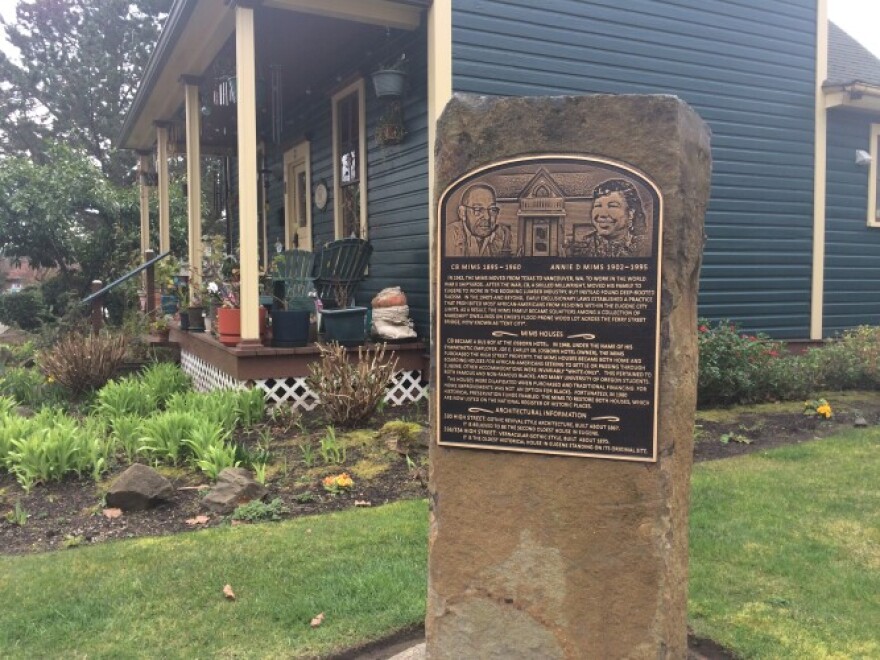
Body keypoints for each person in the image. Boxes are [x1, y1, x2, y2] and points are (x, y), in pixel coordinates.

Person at [569, 179, 650, 258]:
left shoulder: (645, 247)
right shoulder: (581, 248)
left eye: (612, 206)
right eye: (598, 206)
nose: (602, 214)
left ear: (631, 213)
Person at [447, 183, 512, 257]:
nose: (487, 217)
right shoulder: (449, 236)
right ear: (462, 213)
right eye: (478, 209)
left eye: (492, 209)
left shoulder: (500, 236)